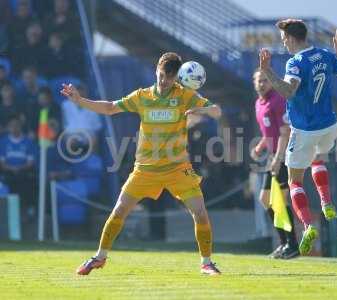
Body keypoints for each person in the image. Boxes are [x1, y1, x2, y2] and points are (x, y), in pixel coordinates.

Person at [61, 52, 222, 276]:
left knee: (200, 213)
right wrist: (80, 101)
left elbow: (216, 111)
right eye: (161, 75)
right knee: (118, 212)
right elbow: (109, 108)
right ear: (157, 69)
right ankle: (99, 257)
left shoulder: (185, 95)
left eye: (169, 77)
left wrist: (201, 109)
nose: (163, 81)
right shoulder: (142, 96)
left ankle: (206, 263)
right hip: (145, 170)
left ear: (177, 77)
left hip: (177, 169)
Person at [258, 19, 337, 255]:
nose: (284, 45)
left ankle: (307, 226)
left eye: (284, 40)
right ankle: (326, 202)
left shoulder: (296, 62)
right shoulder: (324, 55)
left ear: (292, 38)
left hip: (304, 130)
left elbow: (288, 91)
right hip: (329, 125)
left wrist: (267, 70)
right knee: (318, 160)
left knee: (295, 181)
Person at [251, 69, 298, 259]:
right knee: (265, 199)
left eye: (265, 80)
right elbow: (268, 131)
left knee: (282, 199)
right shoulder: (258, 103)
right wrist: (261, 146)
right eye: (259, 81)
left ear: (271, 82)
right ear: (254, 83)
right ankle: (284, 243)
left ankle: (292, 244)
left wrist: (279, 159)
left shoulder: (278, 100)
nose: (262, 84)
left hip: (285, 155)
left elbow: (285, 132)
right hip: (273, 155)